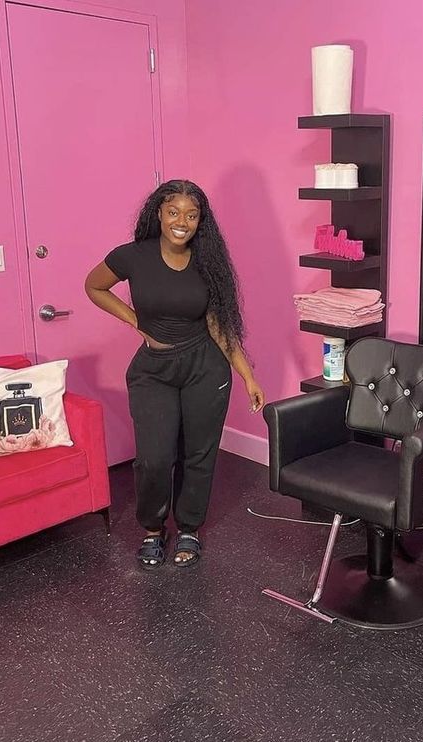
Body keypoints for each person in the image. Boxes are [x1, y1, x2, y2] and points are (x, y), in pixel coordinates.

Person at [85, 179, 264, 569]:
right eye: (173, 212)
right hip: (154, 369)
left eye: (192, 214)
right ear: (159, 214)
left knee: (198, 454)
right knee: (154, 457)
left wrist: (248, 375)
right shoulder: (133, 256)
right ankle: (153, 529)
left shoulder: (207, 261)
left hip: (205, 367)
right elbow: (94, 286)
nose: (182, 221)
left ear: (201, 221)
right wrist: (136, 322)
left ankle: (189, 528)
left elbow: (218, 325)